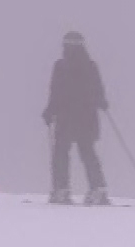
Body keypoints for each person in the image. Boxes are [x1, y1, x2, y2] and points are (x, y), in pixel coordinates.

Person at [43, 31, 110, 205]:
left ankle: (61, 189)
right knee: (87, 151)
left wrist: (50, 111)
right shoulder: (90, 66)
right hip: (87, 117)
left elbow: (55, 91)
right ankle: (98, 189)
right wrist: (101, 102)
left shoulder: (60, 66)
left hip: (66, 117)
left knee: (61, 152)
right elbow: (98, 89)